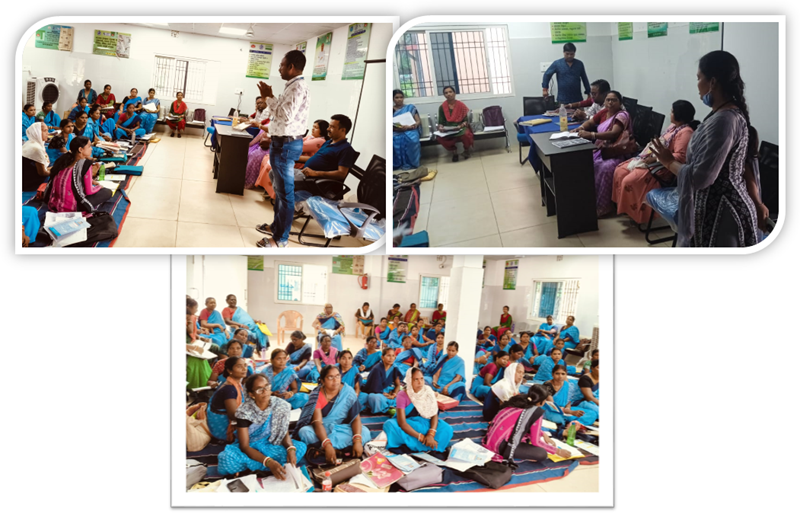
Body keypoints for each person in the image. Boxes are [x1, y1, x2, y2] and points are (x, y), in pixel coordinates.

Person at [650, 50, 761, 247]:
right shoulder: (721, 114)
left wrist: (668, 161)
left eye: (699, 78)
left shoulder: (724, 120)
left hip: (723, 211)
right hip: (713, 205)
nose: (697, 84)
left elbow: (700, 178)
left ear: (713, 82)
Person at [255, 50, 310, 248]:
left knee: (286, 194)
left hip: (286, 145)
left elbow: (285, 116)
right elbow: (282, 114)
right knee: (279, 190)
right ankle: (276, 227)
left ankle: (280, 239)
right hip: (281, 142)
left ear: (291, 67)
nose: (279, 68)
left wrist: (269, 97)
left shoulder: (297, 87)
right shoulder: (292, 86)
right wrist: (271, 98)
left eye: (281, 65)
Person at [613, 100, 699, 224]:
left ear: (679, 115)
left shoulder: (686, 132)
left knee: (629, 181)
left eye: (672, 111)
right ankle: (625, 208)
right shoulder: (673, 127)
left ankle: (637, 214)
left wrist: (654, 159)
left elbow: (680, 157)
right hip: (651, 158)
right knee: (620, 171)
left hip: (663, 167)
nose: (670, 114)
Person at [216, 373, 307, 477]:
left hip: (271, 443)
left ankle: (255, 468)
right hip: (251, 447)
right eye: (259, 389)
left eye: (267, 387)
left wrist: (290, 449)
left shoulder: (280, 405)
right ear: (251, 394)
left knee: (300, 447)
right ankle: (270, 466)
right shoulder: (244, 412)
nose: (265, 392)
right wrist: (269, 462)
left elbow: (283, 432)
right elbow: (244, 446)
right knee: (226, 460)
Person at [573, 90, 637, 216]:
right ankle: (589, 199)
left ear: (620, 103)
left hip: (617, 152)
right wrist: (580, 128)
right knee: (584, 160)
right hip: (601, 149)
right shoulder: (604, 112)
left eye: (614, 100)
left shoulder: (622, 115)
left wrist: (592, 135)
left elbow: (614, 133)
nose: (610, 103)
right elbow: (590, 122)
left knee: (604, 168)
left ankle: (604, 206)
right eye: (608, 100)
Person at [294, 365, 370, 463]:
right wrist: (327, 444)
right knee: (304, 432)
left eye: (337, 376)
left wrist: (357, 440)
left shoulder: (348, 391)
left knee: (365, 432)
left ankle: (323, 449)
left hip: (342, 428)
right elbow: (317, 423)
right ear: (322, 381)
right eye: (330, 377)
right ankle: (337, 449)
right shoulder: (316, 395)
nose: (335, 380)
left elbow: (356, 418)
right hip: (322, 429)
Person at [482, 385, 572, 464]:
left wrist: (543, 434)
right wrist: (558, 451)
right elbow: (535, 441)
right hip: (502, 446)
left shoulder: (518, 402)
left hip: (490, 440)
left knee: (529, 440)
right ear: (542, 402)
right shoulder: (535, 412)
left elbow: (523, 424)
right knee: (542, 454)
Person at [384, 367, 454, 452]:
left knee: (447, 429)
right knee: (389, 425)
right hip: (410, 424)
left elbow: (434, 414)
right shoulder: (402, 395)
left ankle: (416, 444)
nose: (420, 382)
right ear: (409, 381)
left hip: (427, 423)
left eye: (421, 379)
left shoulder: (428, 391)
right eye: (416, 379)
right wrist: (421, 437)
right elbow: (402, 423)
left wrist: (431, 434)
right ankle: (429, 446)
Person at [255, 119, 328, 200]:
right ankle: (271, 190)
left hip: (300, 162)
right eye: (313, 127)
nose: (313, 129)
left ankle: (274, 193)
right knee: (267, 157)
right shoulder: (311, 137)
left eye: (316, 128)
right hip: (293, 156)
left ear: (322, 130)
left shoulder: (320, 141)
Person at [293, 114, 357, 201]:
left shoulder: (346, 149)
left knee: (282, 180)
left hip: (315, 181)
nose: (328, 129)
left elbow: (341, 174)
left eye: (332, 127)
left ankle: (285, 205)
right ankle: (284, 203)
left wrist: (315, 173)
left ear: (343, 130)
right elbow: (313, 158)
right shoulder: (328, 142)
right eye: (329, 126)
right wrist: (293, 158)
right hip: (305, 174)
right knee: (277, 172)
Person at [42, 136, 112, 213]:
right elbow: (89, 191)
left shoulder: (63, 160)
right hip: (74, 207)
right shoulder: (85, 164)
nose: (91, 149)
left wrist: (91, 181)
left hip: (56, 205)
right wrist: (99, 187)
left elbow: (71, 176)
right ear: (80, 149)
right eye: (89, 146)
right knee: (107, 192)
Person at [207, 357, 248, 442]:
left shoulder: (236, 384)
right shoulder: (229, 389)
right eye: (239, 366)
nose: (244, 369)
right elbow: (234, 416)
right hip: (222, 429)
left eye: (245, 365)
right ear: (230, 370)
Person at [436, 86, 474, 162]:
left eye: (450, 92)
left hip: (460, 127)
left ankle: (466, 151)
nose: (448, 94)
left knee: (467, 135)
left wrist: (460, 126)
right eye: (446, 93)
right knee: (439, 138)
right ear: (444, 95)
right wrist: (441, 128)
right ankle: (454, 152)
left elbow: (465, 121)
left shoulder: (461, 105)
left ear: (454, 93)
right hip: (448, 129)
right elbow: (441, 122)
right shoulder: (442, 107)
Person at [361, 347, 403, 414]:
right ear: (382, 357)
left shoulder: (394, 368)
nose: (391, 358)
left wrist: (393, 394)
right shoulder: (377, 369)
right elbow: (374, 389)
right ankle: (387, 407)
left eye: (393, 356)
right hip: (378, 393)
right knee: (373, 397)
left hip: (389, 392)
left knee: (403, 396)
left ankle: (386, 406)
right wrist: (387, 395)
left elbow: (398, 385)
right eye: (388, 355)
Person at [392, 89, 422, 170]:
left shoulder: (410, 108)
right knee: (393, 140)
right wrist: (398, 128)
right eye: (396, 97)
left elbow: (418, 121)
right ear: (393, 99)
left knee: (413, 141)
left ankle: (413, 163)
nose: (399, 99)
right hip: (396, 131)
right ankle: (398, 163)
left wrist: (411, 126)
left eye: (401, 97)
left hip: (410, 130)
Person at [22, 122, 51, 191]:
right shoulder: (37, 148)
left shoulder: (29, 143)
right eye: (45, 131)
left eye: (47, 130)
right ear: (36, 132)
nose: (48, 133)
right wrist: (56, 171)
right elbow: (42, 173)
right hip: (29, 183)